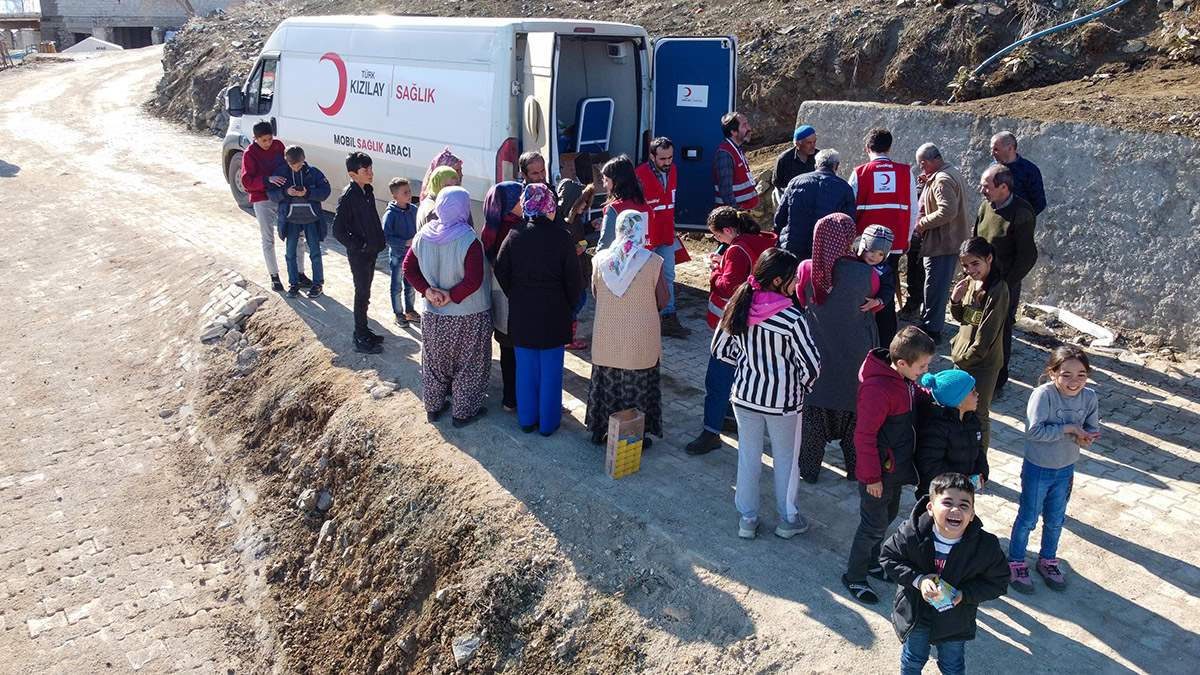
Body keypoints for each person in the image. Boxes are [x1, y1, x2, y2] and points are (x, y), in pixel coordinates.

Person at [711, 248, 821, 540]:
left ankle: (747, 518)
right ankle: (788, 518)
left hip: (744, 397)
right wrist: (801, 388)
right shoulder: (792, 318)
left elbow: (720, 350)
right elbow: (811, 365)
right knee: (786, 460)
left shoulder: (738, 304)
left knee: (748, 457)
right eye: (793, 278)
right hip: (783, 403)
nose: (798, 283)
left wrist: (749, 364)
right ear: (777, 281)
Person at [879, 473, 1010, 675]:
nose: (956, 510)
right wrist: (919, 580)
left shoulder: (985, 546)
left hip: (956, 619)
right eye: (947, 503)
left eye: (964, 505)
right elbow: (888, 558)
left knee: (953, 665)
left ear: (972, 514)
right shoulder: (911, 533)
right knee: (913, 660)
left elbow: (999, 581)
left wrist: (964, 594)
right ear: (930, 508)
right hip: (917, 613)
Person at [843, 326, 936, 604]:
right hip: (878, 475)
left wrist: (930, 392)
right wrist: (871, 476)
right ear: (903, 363)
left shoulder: (902, 378)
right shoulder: (877, 388)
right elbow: (864, 435)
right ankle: (855, 576)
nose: (925, 370)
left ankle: (873, 563)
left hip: (894, 471)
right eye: (923, 366)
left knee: (888, 517)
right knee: (872, 525)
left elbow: (911, 395)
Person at [793, 213, 880, 482]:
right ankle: (856, 470)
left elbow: (801, 298)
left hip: (817, 356)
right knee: (856, 419)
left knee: (813, 419)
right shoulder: (868, 273)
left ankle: (808, 471)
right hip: (855, 356)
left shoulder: (806, 269)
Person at [1007, 345, 1100, 594]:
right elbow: (1034, 431)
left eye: (1081, 374)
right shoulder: (1043, 395)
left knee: (1056, 519)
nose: (1074, 381)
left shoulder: (1089, 397)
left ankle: (1048, 560)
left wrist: (1086, 437)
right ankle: (1016, 561)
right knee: (1028, 517)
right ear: (1052, 373)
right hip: (1038, 467)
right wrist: (1070, 429)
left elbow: (1091, 426)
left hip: (1066, 468)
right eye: (1066, 374)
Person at [685, 207, 776, 456]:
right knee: (738, 375)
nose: (717, 241)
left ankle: (710, 431)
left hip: (732, 323)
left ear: (727, 230)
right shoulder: (765, 240)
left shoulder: (737, 249)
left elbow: (727, 286)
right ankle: (728, 415)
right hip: (756, 321)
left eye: (717, 236)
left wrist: (715, 270)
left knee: (717, 378)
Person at [495, 183, 583, 436]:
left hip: (523, 312)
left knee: (525, 369)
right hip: (555, 313)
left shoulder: (515, 234)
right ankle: (548, 424)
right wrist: (569, 304)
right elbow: (573, 281)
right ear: (549, 206)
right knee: (551, 371)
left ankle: (526, 420)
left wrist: (517, 292)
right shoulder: (562, 238)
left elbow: (501, 270)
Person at [402, 186, 492, 427]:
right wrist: (451, 296)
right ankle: (463, 413)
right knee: (469, 364)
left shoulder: (423, 235)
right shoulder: (468, 239)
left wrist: (428, 292)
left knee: (434, 362)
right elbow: (473, 280)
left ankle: (433, 407)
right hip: (468, 315)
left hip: (434, 314)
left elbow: (408, 268)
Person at [586, 210, 670, 445]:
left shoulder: (600, 259)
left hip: (607, 338)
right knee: (638, 386)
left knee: (608, 383)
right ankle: (635, 436)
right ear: (641, 229)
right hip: (640, 341)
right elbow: (663, 300)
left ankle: (601, 430)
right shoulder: (653, 261)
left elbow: (596, 293)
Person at [849, 128, 919, 344]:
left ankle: (862, 337)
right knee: (887, 289)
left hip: (864, 245)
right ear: (889, 148)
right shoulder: (905, 172)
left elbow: (850, 208)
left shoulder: (859, 172)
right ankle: (888, 341)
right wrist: (907, 236)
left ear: (868, 148)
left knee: (861, 289)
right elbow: (914, 209)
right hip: (894, 244)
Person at [975, 164, 1037, 394]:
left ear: (1003, 187)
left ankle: (998, 379)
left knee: (1000, 330)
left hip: (1004, 285)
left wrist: (1006, 283)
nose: (982, 190)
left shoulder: (1021, 213)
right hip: (981, 280)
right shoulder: (986, 206)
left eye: (986, 186)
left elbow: (1027, 256)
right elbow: (976, 239)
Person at [901, 143, 970, 345]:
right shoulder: (948, 172)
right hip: (947, 241)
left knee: (936, 286)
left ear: (925, 162)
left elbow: (948, 210)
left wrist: (922, 223)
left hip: (943, 242)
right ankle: (930, 321)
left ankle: (932, 329)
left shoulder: (942, 180)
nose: (922, 170)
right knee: (934, 284)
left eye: (922, 166)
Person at [949, 237, 1010, 456]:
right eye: (965, 265)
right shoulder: (970, 283)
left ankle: (979, 465)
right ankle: (960, 455)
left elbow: (986, 338)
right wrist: (955, 300)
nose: (970, 269)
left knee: (978, 413)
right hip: (963, 358)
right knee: (958, 408)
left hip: (982, 365)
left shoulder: (998, 289)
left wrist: (960, 361)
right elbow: (964, 318)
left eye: (975, 264)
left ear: (989, 259)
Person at [331, 151, 387, 354]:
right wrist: (360, 245)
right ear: (353, 174)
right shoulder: (348, 196)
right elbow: (337, 230)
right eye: (366, 170)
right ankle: (360, 336)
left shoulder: (367, 191)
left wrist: (377, 241)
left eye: (371, 169)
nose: (371, 173)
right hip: (360, 255)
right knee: (361, 294)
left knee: (366, 293)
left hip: (371, 252)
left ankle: (363, 330)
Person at [635, 137, 691, 338]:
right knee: (645, 278)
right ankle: (644, 320)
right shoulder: (639, 175)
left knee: (668, 276)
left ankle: (668, 318)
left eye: (670, 157)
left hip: (666, 235)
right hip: (648, 238)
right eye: (662, 159)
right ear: (652, 156)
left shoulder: (673, 170)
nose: (667, 162)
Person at [242, 121, 307, 291]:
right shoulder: (249, 154)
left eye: (270, 139)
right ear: (255, 139)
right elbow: (246, 181)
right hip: (262, 199)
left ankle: (300, 273)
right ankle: (274, 276)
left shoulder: (279, 146)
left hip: (284, 197)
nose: (268, 143)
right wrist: (266, 180)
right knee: (268, 239)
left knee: (297, 235)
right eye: (263, 140)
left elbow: (290, 166)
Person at [481, 181, 526, 412]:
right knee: (517, 353)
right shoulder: (514, 230)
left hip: (500, 303)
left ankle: (510, 398)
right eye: (519, 198)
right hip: (514, 301)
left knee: (507, 350)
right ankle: (517, 398)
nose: (524, 201)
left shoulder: (491, 229)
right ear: (508, 203)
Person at [267, 145, 330, 299]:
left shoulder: (313, 173)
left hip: (312, 219)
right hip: (291, 219)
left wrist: (307, 192)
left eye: (299, 165)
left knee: (315, 252)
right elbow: (271, 194)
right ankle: (293, 283)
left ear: (304, 159)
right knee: (290, 253)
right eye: (293, 166)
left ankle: (317, 284)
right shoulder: (280, 173)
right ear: (286, 162)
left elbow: (325, 191)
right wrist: (285, 192)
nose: (296, 168)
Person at [915, 370, 986, 499]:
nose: (977, 395)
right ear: (959, 401)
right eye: (973, 392)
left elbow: (978, 448)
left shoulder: (972, 419)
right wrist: (961, 482)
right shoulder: (935, 426)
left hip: (962, 490)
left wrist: (981, 472)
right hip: (939, 494)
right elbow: (930, 464)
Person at [774, 148, 856, 259]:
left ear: (816, 165)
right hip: (823, 253)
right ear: (836, 166)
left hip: (791, 249)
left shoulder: (795, 182)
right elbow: (849, 225)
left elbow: (780, 217)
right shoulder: (844, 189)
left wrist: (781, 239)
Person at [556, 177, 597, 350]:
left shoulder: (576, 219)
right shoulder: (560, 223)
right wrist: (572, 250)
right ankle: (568, 337)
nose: (584, 207)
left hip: (579, 268)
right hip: (570, 272)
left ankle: (566, 334)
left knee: (580, 299)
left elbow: (580, 232)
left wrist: (591, 226)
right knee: (576, 302)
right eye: (582, 203)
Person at [383, 177, 419, 326]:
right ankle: (398, 314)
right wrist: (404, 243)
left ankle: (410, 311)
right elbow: (386, 237)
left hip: (412, 256)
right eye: (405, 192)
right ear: (395, 196)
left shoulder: (414, 210)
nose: (409, 195)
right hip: (398, 255)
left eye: (409, 191)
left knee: (411, 285)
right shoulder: (390, 215)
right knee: (396, 286)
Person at [855, 225, 897, 344]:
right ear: (864, 246)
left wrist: (877, 301)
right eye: (872, 251)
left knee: (883, 325)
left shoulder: (884, 269)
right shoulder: (852, 258)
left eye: (881, 254)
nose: (875, 257)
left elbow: (888, 289)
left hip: (873, 305)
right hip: (853, 303)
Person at [596, 155, 649, 251]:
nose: (604, 185)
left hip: (621, 264)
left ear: (617, 181)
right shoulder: (646, 207)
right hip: (645, 262)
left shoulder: (613, 209)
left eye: (606, 180)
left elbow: (605, 245)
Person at [989, 131, 1046, 215]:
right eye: (992, 149)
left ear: (1009, 148)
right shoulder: (992, 168)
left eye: (996, 149)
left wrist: (1022, 219)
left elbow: (1039, 203)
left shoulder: (1029, 170)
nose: (992, 153)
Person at [713, 111, 759, 211]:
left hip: (744, 211)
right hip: (735, 215)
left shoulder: (737, 149)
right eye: (744, 125)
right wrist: (736, 215)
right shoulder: (725, 154)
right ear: (733, 132)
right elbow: (725, 189)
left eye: (747, 124)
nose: (749, 128)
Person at [772, 124, 819, 195]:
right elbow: (777, 181)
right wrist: (788, 192)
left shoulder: (819, 157)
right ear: (798, 144)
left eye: (814, 142)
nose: (813, 146)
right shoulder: (784, 159)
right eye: (809, 143)